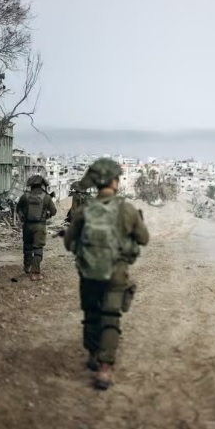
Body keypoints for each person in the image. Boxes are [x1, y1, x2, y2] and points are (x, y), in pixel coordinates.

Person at [63, 158, 149, 390]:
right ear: (114, 181)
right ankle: (105, 369)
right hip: (116, 272)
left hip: (89, 272)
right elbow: (144, 239)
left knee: (91, 314)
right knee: (110, 317)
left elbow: (69, 242)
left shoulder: (85, 210)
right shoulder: (126, 209)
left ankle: (93, 355)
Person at [16, 175, 57, 280]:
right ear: (41, 184)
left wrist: (22, 216)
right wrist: (47, 214)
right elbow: (54, 211)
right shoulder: (46, 197)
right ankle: (35, 273)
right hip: (40, 226)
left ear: (31, 185)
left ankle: (27, 267)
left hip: (27, 225)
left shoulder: (25, 196)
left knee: (27, 246)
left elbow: (18, 208)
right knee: (38, 248)